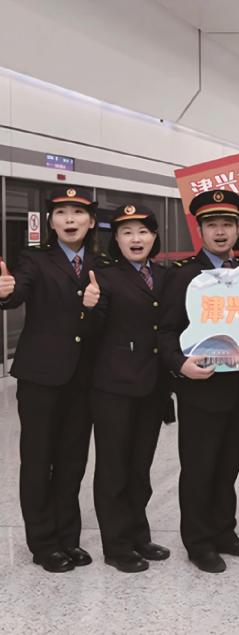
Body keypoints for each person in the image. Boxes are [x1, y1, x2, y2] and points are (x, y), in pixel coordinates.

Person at [0, 186, 105, 572]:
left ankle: (68, 537)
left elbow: (107, 315)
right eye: (62, 213)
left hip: (84, 378)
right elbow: (16, 293)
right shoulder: (34, 259)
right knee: (38, 460)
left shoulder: (102, 262)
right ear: (51, 221)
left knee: (72, 460)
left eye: (78, 213)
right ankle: (43, 543)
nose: (70, 219)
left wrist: (94, 308)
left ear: (91, 221)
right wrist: (5, 293)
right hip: (40, 378)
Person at [159, 189, 239, 573]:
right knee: (199, 469)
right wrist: (179, 366)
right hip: (200, 389)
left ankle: (224, 533)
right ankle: (198, 542)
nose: (220, 232)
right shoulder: (185, 275)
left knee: (228, 466)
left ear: (237, 229)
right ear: (200, 230)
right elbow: (165, 331)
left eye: (227, 224)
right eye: (212, 225)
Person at [90, 203, 174, 573]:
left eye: (143, 231)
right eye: (126, 232)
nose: (135, 238)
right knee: (114, 469)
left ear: (154, 237)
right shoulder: (103, 277)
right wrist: (88, 307)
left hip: (153, 386)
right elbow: (90, 331)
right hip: (114, 387)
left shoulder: (166, 275)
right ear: (117, 240)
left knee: (140, 467)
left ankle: (139, 535)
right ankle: (117, 546)